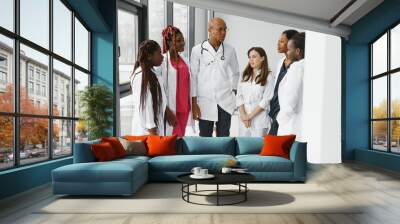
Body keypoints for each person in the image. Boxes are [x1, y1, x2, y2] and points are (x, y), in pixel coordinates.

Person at [190, 17, 240, 137]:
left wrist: (233, 92)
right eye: (220, 29)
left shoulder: (230, 50)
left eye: (225, 29)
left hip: (225, 100)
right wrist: (194, 103)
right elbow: (193, 77)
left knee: (224, 136)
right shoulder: (197, 50)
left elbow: (236, 73)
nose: (224, 33)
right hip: (205, 101)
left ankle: (223, 156)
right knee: (205, 136)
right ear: (210, 30)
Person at [158, 25, 193, 137]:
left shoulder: (185, 60)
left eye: (183, 40)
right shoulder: (162, 63)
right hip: (171, 109)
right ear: (169, 43)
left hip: (185, 107)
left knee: (180, 138)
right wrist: (166, 110)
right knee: (172, 139)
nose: (183, 43)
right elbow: (158, 89)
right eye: (178, 41)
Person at [130, 40, 168, 135]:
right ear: (149, 56)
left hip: (153, 128)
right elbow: (145, 105)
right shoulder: (141, 76)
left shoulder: (151, 73)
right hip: (148, 132)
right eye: (159, 53)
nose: (162, 56)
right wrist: (152, 130)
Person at [237, 47, 274, 136]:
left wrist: (249, 116)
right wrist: (243, 116)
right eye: (249, 57)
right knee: (243, 148)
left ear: (262, 58)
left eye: (254, 57)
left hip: (260, 121)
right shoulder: (244, 75)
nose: (251, 60)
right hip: (244, 121)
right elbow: (239, 96)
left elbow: (266, 100)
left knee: (258, 148)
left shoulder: (269, 76)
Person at [268, 29, 299, 135]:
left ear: (291, 43)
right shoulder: (280, 62)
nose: (278, 43)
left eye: (282, 41)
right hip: (275, 110)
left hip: (286, 111)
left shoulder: (298, 65)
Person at [276, 32, 305, 141]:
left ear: (297, 51)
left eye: (289, 50)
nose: (287, 53)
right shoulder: (310, 65)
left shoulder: (297, 67)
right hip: (301, 124)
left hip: (291, 124)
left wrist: (280, 119)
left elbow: (290, 102)